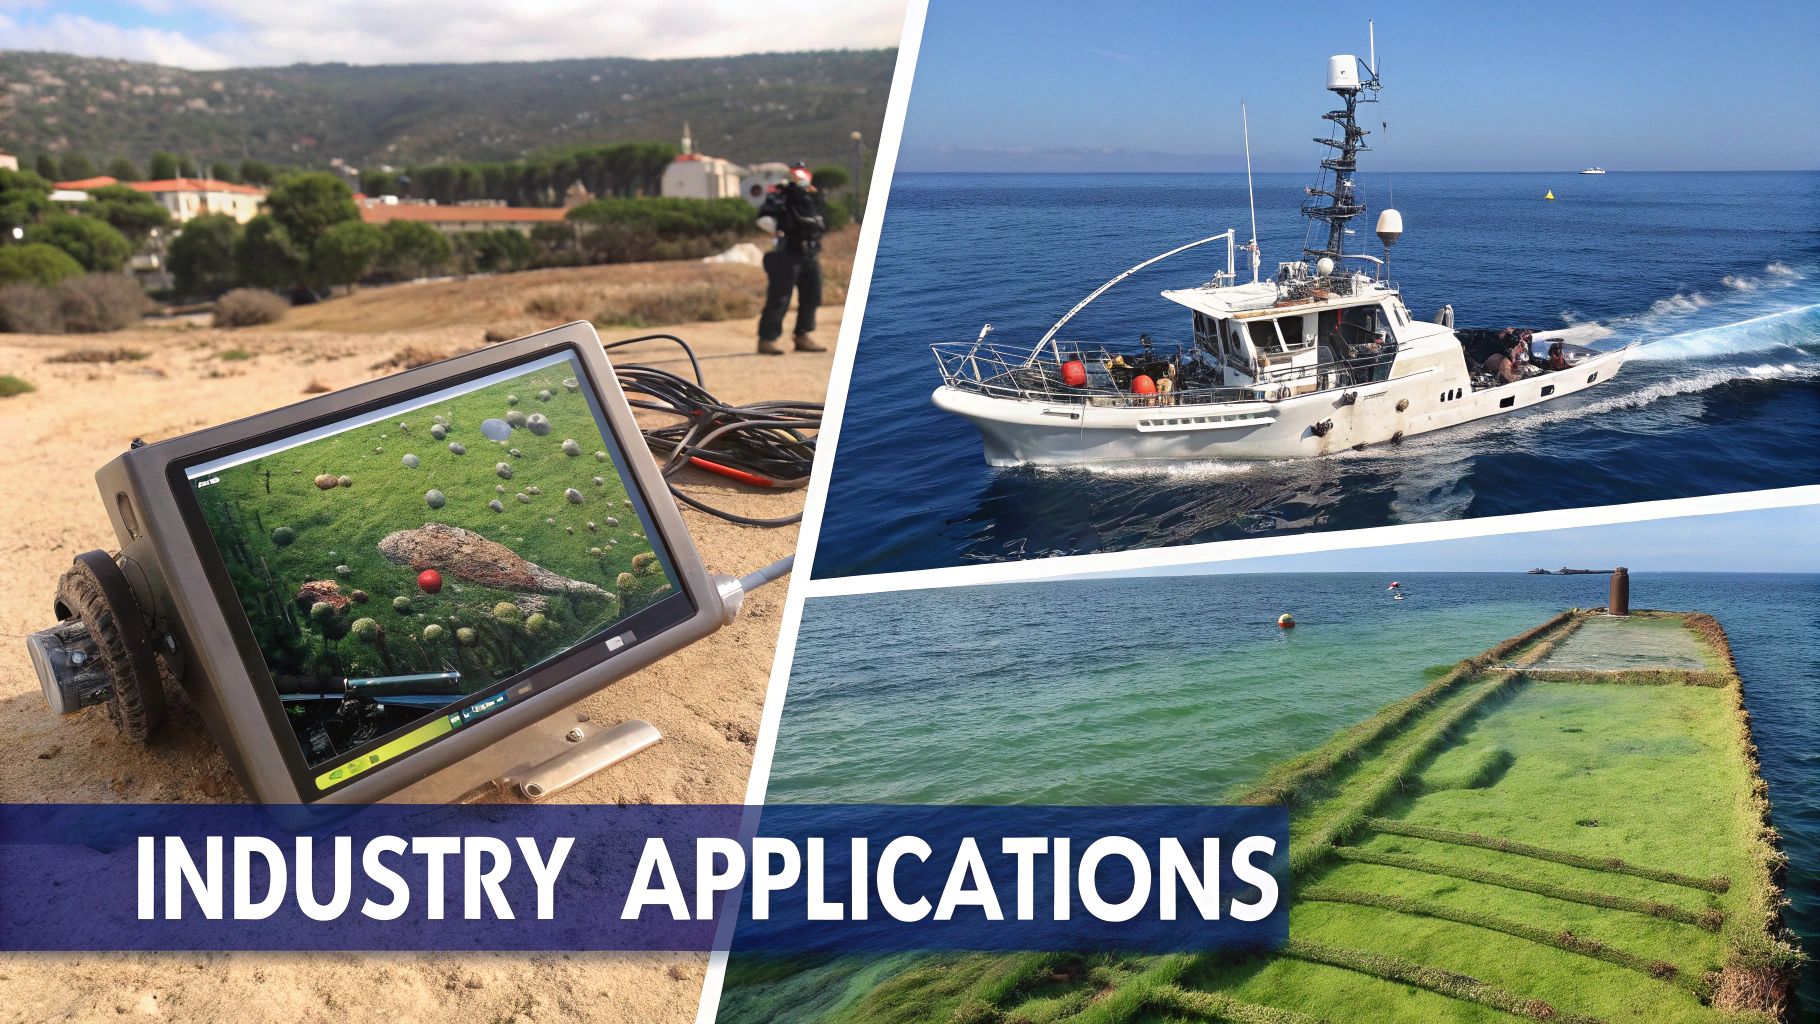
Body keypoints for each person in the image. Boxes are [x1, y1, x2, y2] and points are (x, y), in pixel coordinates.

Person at [755, 162, 829, 356]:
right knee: (779, 298)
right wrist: (783, 230)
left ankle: (803, 336)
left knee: (812, 295)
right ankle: (767, 339)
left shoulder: (811, 198)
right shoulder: (781, 196)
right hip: (787, 253)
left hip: (810, 253)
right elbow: (764, 220)